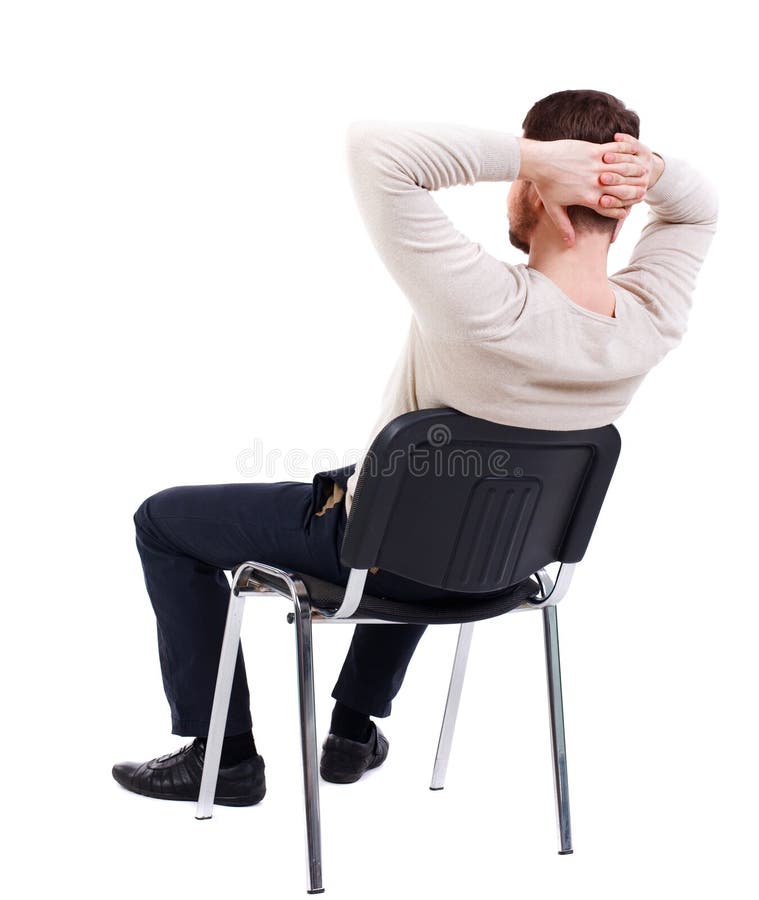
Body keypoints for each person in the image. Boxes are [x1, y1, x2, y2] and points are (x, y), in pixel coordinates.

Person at [112, 89, 718, 806]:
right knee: (432, 502)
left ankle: (225, 758)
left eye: (527, 177)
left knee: (163, 521)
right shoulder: (651, 319)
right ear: (622, 205)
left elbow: (375, 148)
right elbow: (697, 206)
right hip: (501, 565)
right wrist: (636, 169)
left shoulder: (482, 302)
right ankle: (352, 730)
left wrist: (536, 158)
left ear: (541, 193)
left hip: (383, 559)